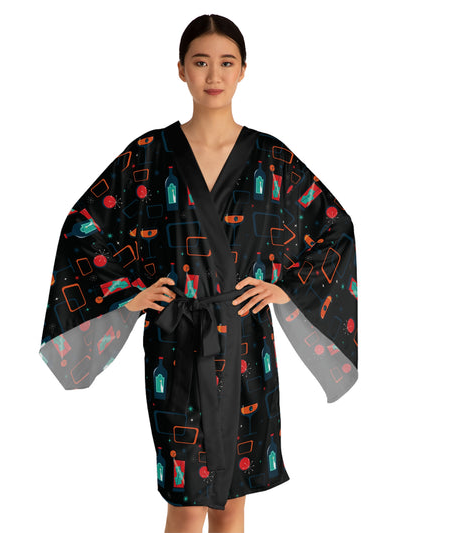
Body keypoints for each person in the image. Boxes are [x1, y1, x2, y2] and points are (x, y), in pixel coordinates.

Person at [39, 13, 358, 533]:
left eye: (226, 62)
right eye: (201, 62)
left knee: (232, 502)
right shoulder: (150, 154)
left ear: (243, 70)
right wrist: (128, 292)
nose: (214, 74)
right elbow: (84, 225)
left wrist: (286, 289)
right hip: (177, 340)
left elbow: (334, 227)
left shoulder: (271, 157)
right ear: (181, 70)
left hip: (246, 340)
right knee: (185, 502)